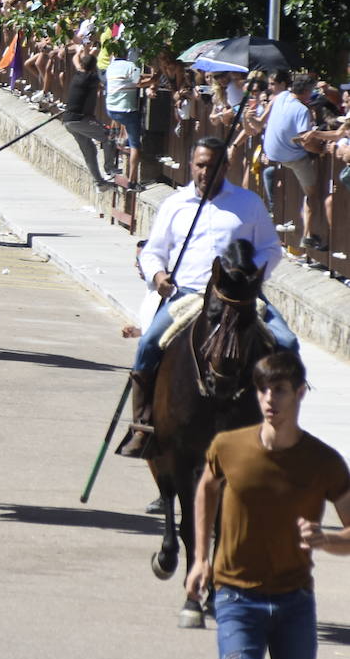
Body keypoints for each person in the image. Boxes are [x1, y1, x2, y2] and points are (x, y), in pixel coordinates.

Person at [186, 351, 350, 659]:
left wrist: (328, 539)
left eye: (279, 390)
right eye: (262, 390)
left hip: (295, 601)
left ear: (300, 392)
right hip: (235, 597)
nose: (269, 399)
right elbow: (206, 488)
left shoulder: (325, 462)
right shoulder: (228, 447)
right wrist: (200, 559)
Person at [117, 137, 296, 458]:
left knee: (287, 343)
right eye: (200, 165)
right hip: (189, 296)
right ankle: (143, 426)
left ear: (225, 168)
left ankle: (284, 427)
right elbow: (154, 252)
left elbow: (271, 248)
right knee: (147, 345)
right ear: (191, 165)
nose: (204, 172)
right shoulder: (175, 204)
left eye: (212, 166)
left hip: (241, 298)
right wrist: (158, 276)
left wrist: (247, 276)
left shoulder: (249, 203)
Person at [263, 74, 326, 251]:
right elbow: (306, 142)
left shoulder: (281, 96)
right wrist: (322, 149)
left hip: (273, 153)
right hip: (293, 157)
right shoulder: (302, 111)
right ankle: (307, 235)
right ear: (307, 91)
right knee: (313, 194)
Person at [61, 52, 118, 187]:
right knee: (109, 136)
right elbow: (106, 79)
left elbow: (75, 60)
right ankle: (109, 169)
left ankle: (100, 182)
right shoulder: (92, 78)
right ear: (94, 67)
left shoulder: (79, 74)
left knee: (90, 151)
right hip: (80, 120)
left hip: (69, 120)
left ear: (82, 65)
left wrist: (82, 51)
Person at [104, 42, 149, 187]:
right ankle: (132, 181)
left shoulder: (110, 68)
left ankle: (121, 141)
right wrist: (155, 78)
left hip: (111, 109)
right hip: (126, 110)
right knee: (136, 145)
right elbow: (139, 82)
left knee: (127, 132)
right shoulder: (130, 66)